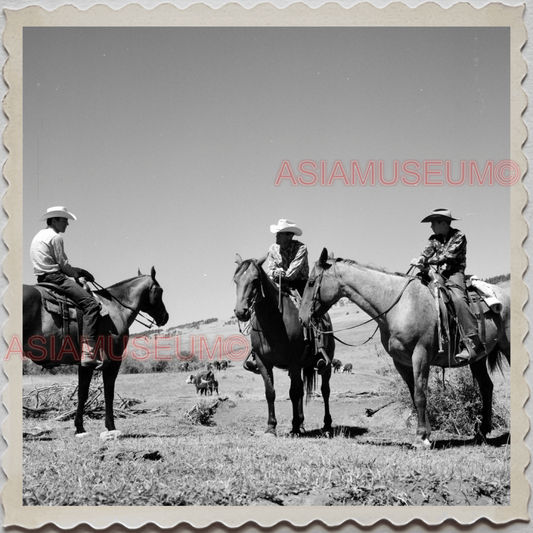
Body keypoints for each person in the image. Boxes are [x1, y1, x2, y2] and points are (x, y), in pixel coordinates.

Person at [243, 219, 328, 373]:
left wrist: (279, 273)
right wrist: (277, 274)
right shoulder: (273, 248)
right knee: (260, 309)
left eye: (279, 234)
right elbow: (270, 271)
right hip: (278, 286)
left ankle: (318, 351)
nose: (276, 236)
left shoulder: (301, 248)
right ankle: (256, 352)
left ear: (289, 236)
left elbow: (292, 273)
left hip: (300, 285)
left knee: (311, 312)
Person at [30, 206, 102, 369]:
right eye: (64, 220)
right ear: (54, 220)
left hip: (42, 277)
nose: (67, 224)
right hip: (56, 278)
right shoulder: (55, 237)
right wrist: (77, 274)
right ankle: (88, 352)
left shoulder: (38, 236)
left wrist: (76, 271)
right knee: (91, 305)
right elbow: (63, 265)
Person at [410, 208, 485, 361]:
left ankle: (472, 340)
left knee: (457, 299)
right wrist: (420, 259)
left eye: (433, 223)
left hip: (454, 273)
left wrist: (426, 261)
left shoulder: (459, 236)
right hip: (436, 272)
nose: (431, 226)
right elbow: (427, 251)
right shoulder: (434, 238)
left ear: (443, 223)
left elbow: (447, 256)